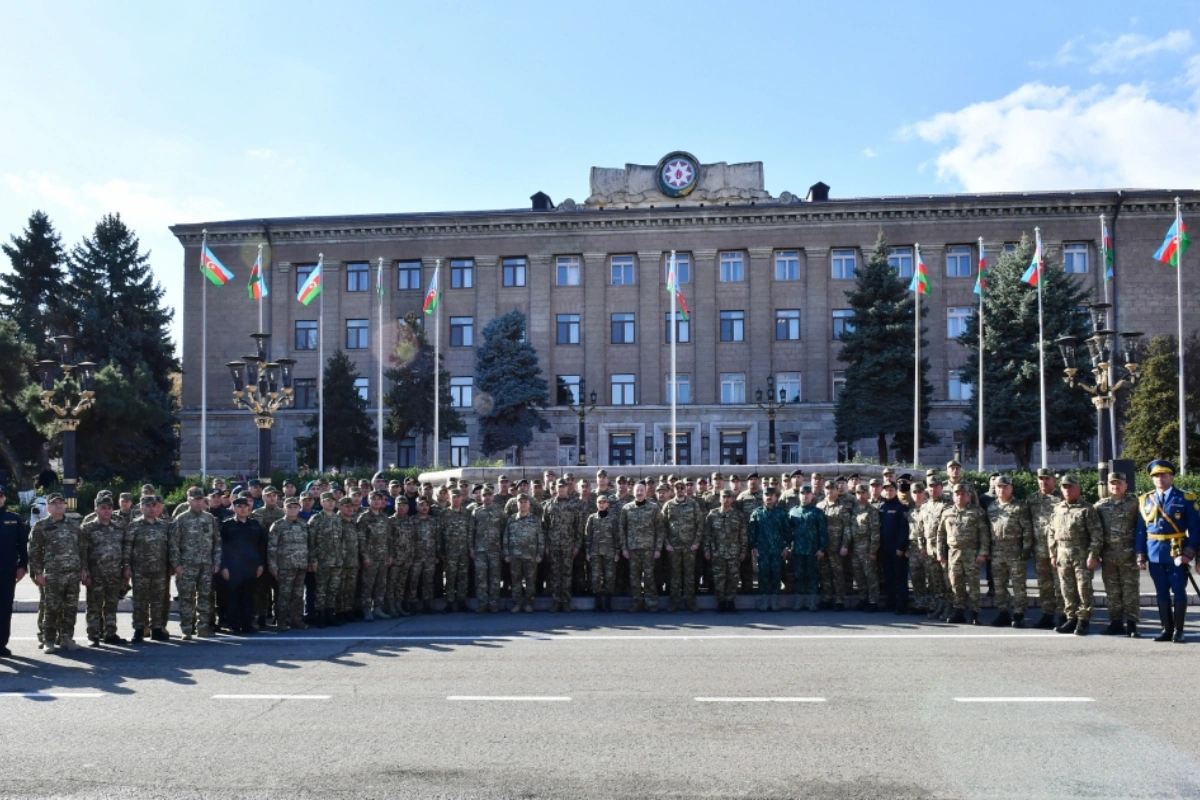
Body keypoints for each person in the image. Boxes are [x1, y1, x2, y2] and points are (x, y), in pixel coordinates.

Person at [1136, 460, 1200, 643]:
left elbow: (1196, 529)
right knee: (1161, 592)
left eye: (1164, 475)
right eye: (1156, 476)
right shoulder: (1145, 500)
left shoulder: (1184, 498)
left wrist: (1189, 552)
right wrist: (1140, 555)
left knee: (1179, 590)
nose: (1160, 479)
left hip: (1177, 551)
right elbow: (1141, 530)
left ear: (1171, 477)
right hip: (1154, 552)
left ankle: (1178, 631)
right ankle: (1166, 629)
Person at [1048, 474, 1103, 636]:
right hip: (1062, 553)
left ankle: (1083, 620)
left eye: (1071, 486)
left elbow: (1097, 535)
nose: (1067, 490)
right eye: (1064, 487)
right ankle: (1071, 618)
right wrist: (1053, 553)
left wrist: (1093, 555)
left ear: (1078, 488)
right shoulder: (1058, 508)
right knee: (1066, 587)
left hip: (1081, 553)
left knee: (1083, 588)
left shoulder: (1087, 509)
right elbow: (1051, 532)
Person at [29, 493, 84, 653]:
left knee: (70, 607)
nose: (58, 506)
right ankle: (49, 640)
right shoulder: (40, 526)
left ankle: (67, 638)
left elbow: (82, 548)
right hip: (52, 574)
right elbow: (34, 551)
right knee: (51, 608)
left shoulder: (74, 525)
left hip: (73, 573)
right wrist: (37, 572)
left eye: (61, 503)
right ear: (48, 508)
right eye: (54, 504)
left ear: (65, 506)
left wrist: (84, 568)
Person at [170, 487, 221, 640]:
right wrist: (176, 564)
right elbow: (174, 544)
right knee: (186, 597)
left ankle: (203, 627)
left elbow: (217, 542)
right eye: (195, 499)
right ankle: (187, 629)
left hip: (206, 564)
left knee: (205, 596)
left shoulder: (210, 518)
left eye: (200, 499)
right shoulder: (181, 519)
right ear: (188, 500)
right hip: (186, 565)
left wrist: (216, 561)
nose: (198, 503)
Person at [937, 484, 991, 625]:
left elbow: (984, 535)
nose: (960, 496)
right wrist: (940, 552)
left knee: (973, 584)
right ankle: (959, 611)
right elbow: (940, 534)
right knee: (956, 584)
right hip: (953, 553)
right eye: (957, 494)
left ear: (969, 496)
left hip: (971, 553)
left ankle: (974, 613)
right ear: (953, 496)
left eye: (963, 494)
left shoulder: (977, 512)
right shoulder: (947, 512)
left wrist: (983, 553)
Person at [1095, 472, 1141, 637]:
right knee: (1112, 591)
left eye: (1119, 483)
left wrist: (1140, 553)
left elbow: (1141, 529)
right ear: (1108, 486)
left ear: (1126, 485)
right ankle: (1115, 623)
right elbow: (1095, 532)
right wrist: (1096, 553)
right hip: (1108, 555)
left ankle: (1132, 624)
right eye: (1112, 483)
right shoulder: (1100, 506)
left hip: (1129, 554)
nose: (1116, 486)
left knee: (1130, 590)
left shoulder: (1135, 504)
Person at [986, 476, 1032, 628]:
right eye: (999, 487)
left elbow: (1027, 530)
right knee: (999, 585)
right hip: (997, 550)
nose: (1001, 489)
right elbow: (987, 531)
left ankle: (1019, 614)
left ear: (1011, 488)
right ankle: (1003, 612)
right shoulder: (992, 507)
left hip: (1015, 551)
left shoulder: (1019, 507)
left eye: (1005, 487)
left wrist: (1025, 550)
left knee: (1018, 585)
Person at [125, 495, 172, 642]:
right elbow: (127, 548)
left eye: (153, 506)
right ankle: (139, 629)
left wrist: (171, 565)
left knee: (158, 601)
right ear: (141, 508)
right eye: (147, 506)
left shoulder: (164, 526)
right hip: (140, 570)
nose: (151, 509)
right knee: (140, 601)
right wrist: (126, 566)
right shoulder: (134, 526)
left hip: (160, 569)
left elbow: (170, 548)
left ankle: (157, 629)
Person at [81, 493, 127, 645]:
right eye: (103, 508)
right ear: (96, 510)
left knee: (111, 604)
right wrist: (84, 571)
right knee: (94, 605)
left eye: (109, 508)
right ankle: (93, 635)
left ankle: (110, 633)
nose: (107, 511)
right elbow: (82, 552)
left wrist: (125, 570)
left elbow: (124, 551)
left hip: (114, 573)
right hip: (95, 573)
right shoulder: (87, 528)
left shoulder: (119, 528)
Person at [219, 497, 266, 634]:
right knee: (233, 597)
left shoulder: (255, 525)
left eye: (245, 506)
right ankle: (234, 625)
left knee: (249, 597)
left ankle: (247, 624)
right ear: (234, 509)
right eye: (240, 506)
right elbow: (221, 547)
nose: (243, 509)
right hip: (233, 568)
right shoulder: (227, 525)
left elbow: (261, 547)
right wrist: (223, 566)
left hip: (251, 567)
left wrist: (261, 565)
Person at [268, 497, 312, 631]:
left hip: (301, 565)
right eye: (290, 507)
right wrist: (273, 566)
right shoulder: (278, 525)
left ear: (299, 509)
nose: (293, 510)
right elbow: (272, 547)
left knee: (298, 595)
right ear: (284, 509)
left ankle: (296, 620)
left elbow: (309, 545)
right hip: (285, 566)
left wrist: (310, 561)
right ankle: (281, 621)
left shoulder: (304, 524)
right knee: (284, 595)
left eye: (295, 507)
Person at [662, 478, 703, 612]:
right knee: (675, 576)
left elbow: (700, 524)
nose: (680, 490)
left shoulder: (693, 504)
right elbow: (663, 526)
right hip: (673, 547)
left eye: (682, 488)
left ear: (685, 489)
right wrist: (666, 543)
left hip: (689, 546)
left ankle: (690, 602)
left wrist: (696, 542)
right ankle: (675, 602)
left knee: (689, 575)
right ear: (673, 490)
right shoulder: (668, 505)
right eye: (677, 488)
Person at [621, 481, 663, 613]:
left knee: (650, 577)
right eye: (637, 490)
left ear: (646, 492)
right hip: (632, 549)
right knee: (634, 578)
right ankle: (637, 603)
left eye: (641, 490)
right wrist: (624, 548)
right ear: (633, 492)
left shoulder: (654, 508)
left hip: (649, 549)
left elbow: (660, 529)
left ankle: (652, 603)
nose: (639, 492)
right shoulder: (626, 508)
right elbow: (622, 529)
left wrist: (658, 548)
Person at [542, 480, 581, 613]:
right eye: (559, 487)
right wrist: (546, 544)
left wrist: (577, 545)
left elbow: (579, 526)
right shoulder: (549, 505)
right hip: (553, 544)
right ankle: (556, 601)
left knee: (567, 573)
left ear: (567, 488)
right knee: (555, 574)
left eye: (564, 487)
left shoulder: (574, 504)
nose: (562, 489)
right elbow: (545, 526)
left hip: (568, 545)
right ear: (556, 488)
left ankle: (565, 601)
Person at [705, 489, 747, 613]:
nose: (726, 499)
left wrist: (743, 550)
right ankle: (721, 602)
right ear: (720, 499)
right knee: (719, 578)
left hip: (734, 552)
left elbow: (743, 535)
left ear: (733, 499)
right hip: (717, 552)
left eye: (729, 497)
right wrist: (707, 549)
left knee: (733, 578)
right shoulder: (712, 514)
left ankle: (731, 602)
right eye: (724, 497)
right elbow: (707, 534)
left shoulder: (738, 515)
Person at [748, 488, 789, 611]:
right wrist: (753, 547)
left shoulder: (782, 513)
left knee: (776, 575)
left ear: (776, 498)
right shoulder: (757, 513)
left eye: (772, 495)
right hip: (762, 550)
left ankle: (775, 601)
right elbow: (751, 532)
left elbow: (787, 531)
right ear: (763, 498)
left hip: (777, 550)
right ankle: (764, 601)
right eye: (767, 495)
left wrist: (787, 546)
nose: (769, 497)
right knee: (763, 575)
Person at [787, 485, 826, 612]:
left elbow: (823, 532)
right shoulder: (793, 512)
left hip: (812, 551)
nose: (805, 496)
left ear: (812, 496)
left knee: (813, 576)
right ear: (799, 496)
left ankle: (812, 602)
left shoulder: (817, 512)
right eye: (802, 493)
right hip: (797, 550)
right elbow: (788, 532)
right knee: (798, 576)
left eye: (807, 493)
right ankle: (799, 602)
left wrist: (822, 549)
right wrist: (788, 547)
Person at [841, 486, 881, 612]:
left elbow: (875, 533)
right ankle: (864, 598)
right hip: (855, 549)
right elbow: (848, 529)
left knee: (871, 576)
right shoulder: (853, 510)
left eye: (863, 492)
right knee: (859, 576)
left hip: (867, 549)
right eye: (858, 493)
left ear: (868, 494)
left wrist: (873, 551)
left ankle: (873, 601)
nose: (860, 495)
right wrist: (847, 546)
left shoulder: (872, 511)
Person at [0, 485, 28, 657]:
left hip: (7, 571)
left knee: (4, 608)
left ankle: (1, 644)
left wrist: (22, 566)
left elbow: (22, 546)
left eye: (0, 495)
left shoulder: (14, 519)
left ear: (4, 498)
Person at [357, 491, 393, 619]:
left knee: (381, 584)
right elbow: (361, 539)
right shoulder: (364, 518)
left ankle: (378, 608)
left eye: (379, 499)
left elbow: (388, 538)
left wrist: (389, 554)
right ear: (368, 501)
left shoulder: (384, 518)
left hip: (383, 556)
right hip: (370, 557)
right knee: (368, 584)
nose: (377, 501)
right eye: (374, 499)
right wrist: (365, 556)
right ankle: (367, 609)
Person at [504, 494, 542, 613]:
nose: (523, 504)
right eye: (521, 502)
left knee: (530, 581)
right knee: (516, 581)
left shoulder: (535, 520)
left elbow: (540, 538)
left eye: (525, 502)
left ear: (529, 504)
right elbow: (506, 537)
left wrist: (540, 554)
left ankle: (529, 603)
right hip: (515, 556)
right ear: (517, 505)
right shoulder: (511, 520)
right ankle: (517, 603)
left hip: (531, 556)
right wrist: (506, 553)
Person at [470, 486, 505, 613]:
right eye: (485, 495)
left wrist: (503, 548)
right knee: (481, 578)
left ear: (493, 496)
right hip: (480, 551)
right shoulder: (476, 512)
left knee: (495, 578)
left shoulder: (500, 512)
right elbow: (471, 532)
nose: (487, 497)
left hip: (495, 550)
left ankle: (494, 603)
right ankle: (483, 603)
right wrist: (471, 548)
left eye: (489, 495)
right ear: (482, 497)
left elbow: (504, 531)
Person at [877, 481, 910, 615]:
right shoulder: (881, 506)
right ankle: (891, 602)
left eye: (891, 490)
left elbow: (903, 529)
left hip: (896, 548)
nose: (888, 492)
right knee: (888, 577)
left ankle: (901, 605)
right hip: (884, 548)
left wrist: (901, 547)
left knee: (900, 577)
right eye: (886, 490)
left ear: (896, 491)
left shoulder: (901, 507)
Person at [585, 494, 621, 612]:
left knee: (609, 577)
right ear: (596, 504)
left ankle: (608, 604)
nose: (601, 504)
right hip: (595, 552)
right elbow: (588, 536)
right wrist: (587, 552)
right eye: (599, 502)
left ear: (608, 504)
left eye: (604, 502)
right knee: (595, 577)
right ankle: (598, 603)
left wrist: (617, 552)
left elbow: (617, 536)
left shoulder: (613, 518)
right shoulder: (592, 518)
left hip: (609, 552)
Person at [817, 481, 849, 611]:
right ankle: (827, 598)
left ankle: (840, 600)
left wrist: (845, 545)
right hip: (823, 547)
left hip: (837, 547)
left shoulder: (843, 507)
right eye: (827, 488)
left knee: (838, 574)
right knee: (824, 573)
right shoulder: (819, 506)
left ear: (837, 490)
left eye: (832, 488)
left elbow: (847, 528)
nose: (829, 490)